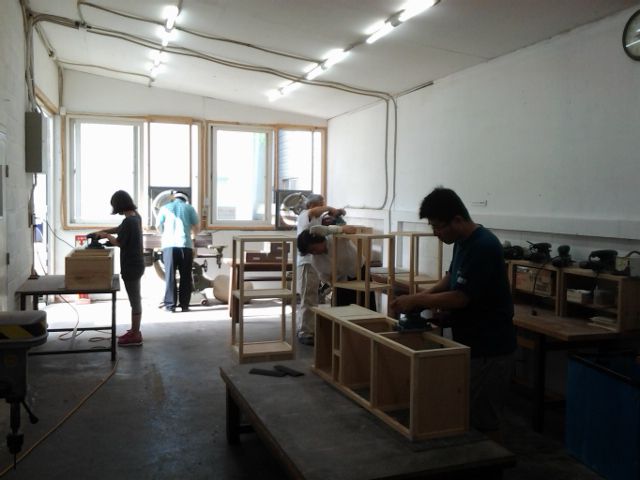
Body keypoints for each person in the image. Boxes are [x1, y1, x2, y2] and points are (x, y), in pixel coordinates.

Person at [390, 187, 516, 441]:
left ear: (457, 220)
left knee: (484, 420)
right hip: (470, 341)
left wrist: (418, 299)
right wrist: (422, 297)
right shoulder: (462, 241)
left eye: (438, 227)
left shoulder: (483, 246)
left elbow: (460, 297)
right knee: (467, 412)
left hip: (489, 347)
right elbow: (451, 278)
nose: (435, 233)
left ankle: (492, 460)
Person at [92, 190, 145, 347]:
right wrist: (103, 231)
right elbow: (119, 228)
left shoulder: (129, 221)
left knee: (134, 300)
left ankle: (135, 334)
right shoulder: (135, 216)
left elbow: (120, 243)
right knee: (135, 298)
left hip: (131, 265)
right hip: (137, 263)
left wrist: (107, 236)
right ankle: (135, 330)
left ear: (119, 205)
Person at [296, 194, 346, 345]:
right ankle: (305, 332)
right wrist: (331, 208)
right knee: (308, 296)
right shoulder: (305, 214)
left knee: (312, 296)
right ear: (312, 205)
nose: (323, 207)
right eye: (321, 204)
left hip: (314, 262)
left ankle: (307, 328)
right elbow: (314, 212)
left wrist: (334, 216)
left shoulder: (316, 219)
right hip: (306, 263)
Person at [297, 224, 376, 310]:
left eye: (313, 249)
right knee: (339, 311)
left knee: (366, 308)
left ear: (317, 240)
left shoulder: (335, 237)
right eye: (310, 252)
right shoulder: (315, 261)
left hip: (360, 273)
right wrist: (330, 285)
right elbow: (328, 279)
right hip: (341, 283)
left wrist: (329, 229)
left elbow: (352, 230)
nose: (314, 253)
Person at [156, 191, 200, 312]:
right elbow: (197, 227)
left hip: (169, 245)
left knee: (170, 276)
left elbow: (158, 226)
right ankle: (184, 305)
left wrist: (164, 234)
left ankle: (170, 306)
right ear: (186, 199)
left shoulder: (165, 208)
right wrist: (193, 236)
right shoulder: (189, 208)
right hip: (185, 245)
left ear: (173, 198)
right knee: (186, 276)